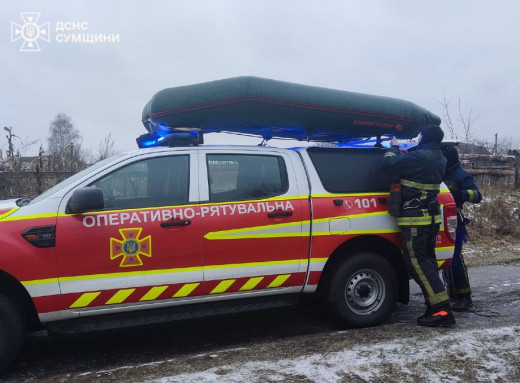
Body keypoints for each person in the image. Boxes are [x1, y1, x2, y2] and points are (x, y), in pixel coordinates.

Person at [383, 125, 455, 327]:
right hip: (428, 219)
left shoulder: (421, 157)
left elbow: (388, 163)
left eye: (420, 135)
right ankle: (439, 305)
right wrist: (408, 154)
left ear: (426, 137)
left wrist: (394, 148)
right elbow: (417, 166)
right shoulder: (437, 156)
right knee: (428, 261)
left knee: (417, 262)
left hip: (416, 220)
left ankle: (442, 311)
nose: (418, 137)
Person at [441, 145, 482, 311]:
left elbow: (477, 195)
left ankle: (465, 297)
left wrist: (461, 195)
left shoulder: (460, 175)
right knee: (445, 259)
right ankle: (452, 294)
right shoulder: (440, 173)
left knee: (455, 258)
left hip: (455, 222)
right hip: (441, 220)